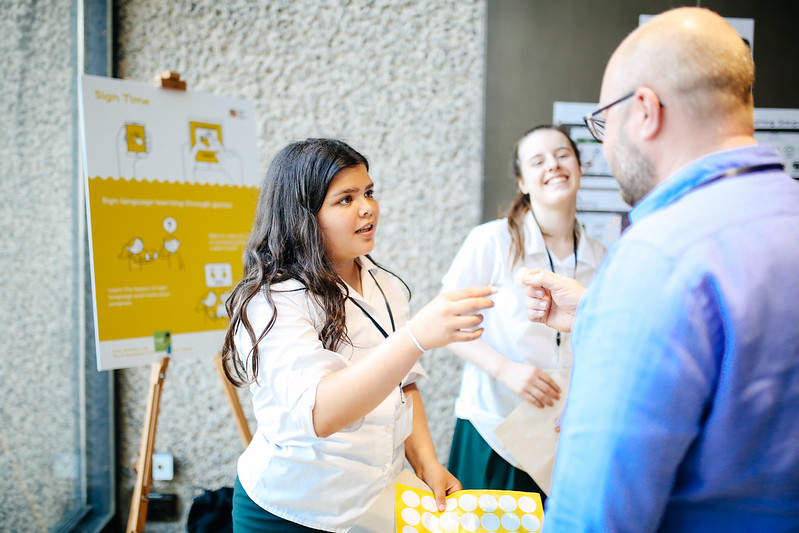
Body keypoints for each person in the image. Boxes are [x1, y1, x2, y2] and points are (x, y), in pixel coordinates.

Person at [522, 7, 799, 531]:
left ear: (645, 110)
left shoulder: (655, 259)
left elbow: (594, 518)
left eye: (604, 123)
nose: (603, 147)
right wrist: (596, 311)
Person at [221, 138, 496, 532]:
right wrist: (415, 336)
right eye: (345, 199)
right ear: (303, 216)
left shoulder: (385, 283)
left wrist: (427, 463)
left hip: (373, 502)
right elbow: (320, 413)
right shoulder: (274, 300)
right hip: (289, 509)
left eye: (368, 192)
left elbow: (403, 385)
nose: (368, 207)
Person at [441, 125, 606, 499]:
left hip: (564, 434)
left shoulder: (602, 256)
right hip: (494, 426)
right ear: (522, 181)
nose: (554, 165)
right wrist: (507, 370)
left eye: (563, 155)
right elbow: (445, 325)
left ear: (580, 167)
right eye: (538, 161)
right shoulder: (491, 240)